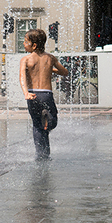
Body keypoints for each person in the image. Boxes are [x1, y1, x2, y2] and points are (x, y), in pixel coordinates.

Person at [19, 29, 69, 160]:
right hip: (47, 94)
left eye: (25, 41)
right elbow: (64, 72)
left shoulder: (26, 59)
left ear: (34, 45)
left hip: (33, 95)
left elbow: (22, 77)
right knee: (51, 123)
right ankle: (48, 121)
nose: (23, 43)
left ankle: (41, 155)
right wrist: (49, 69)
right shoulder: (50, 58)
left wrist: (26, 93)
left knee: (37, 126)